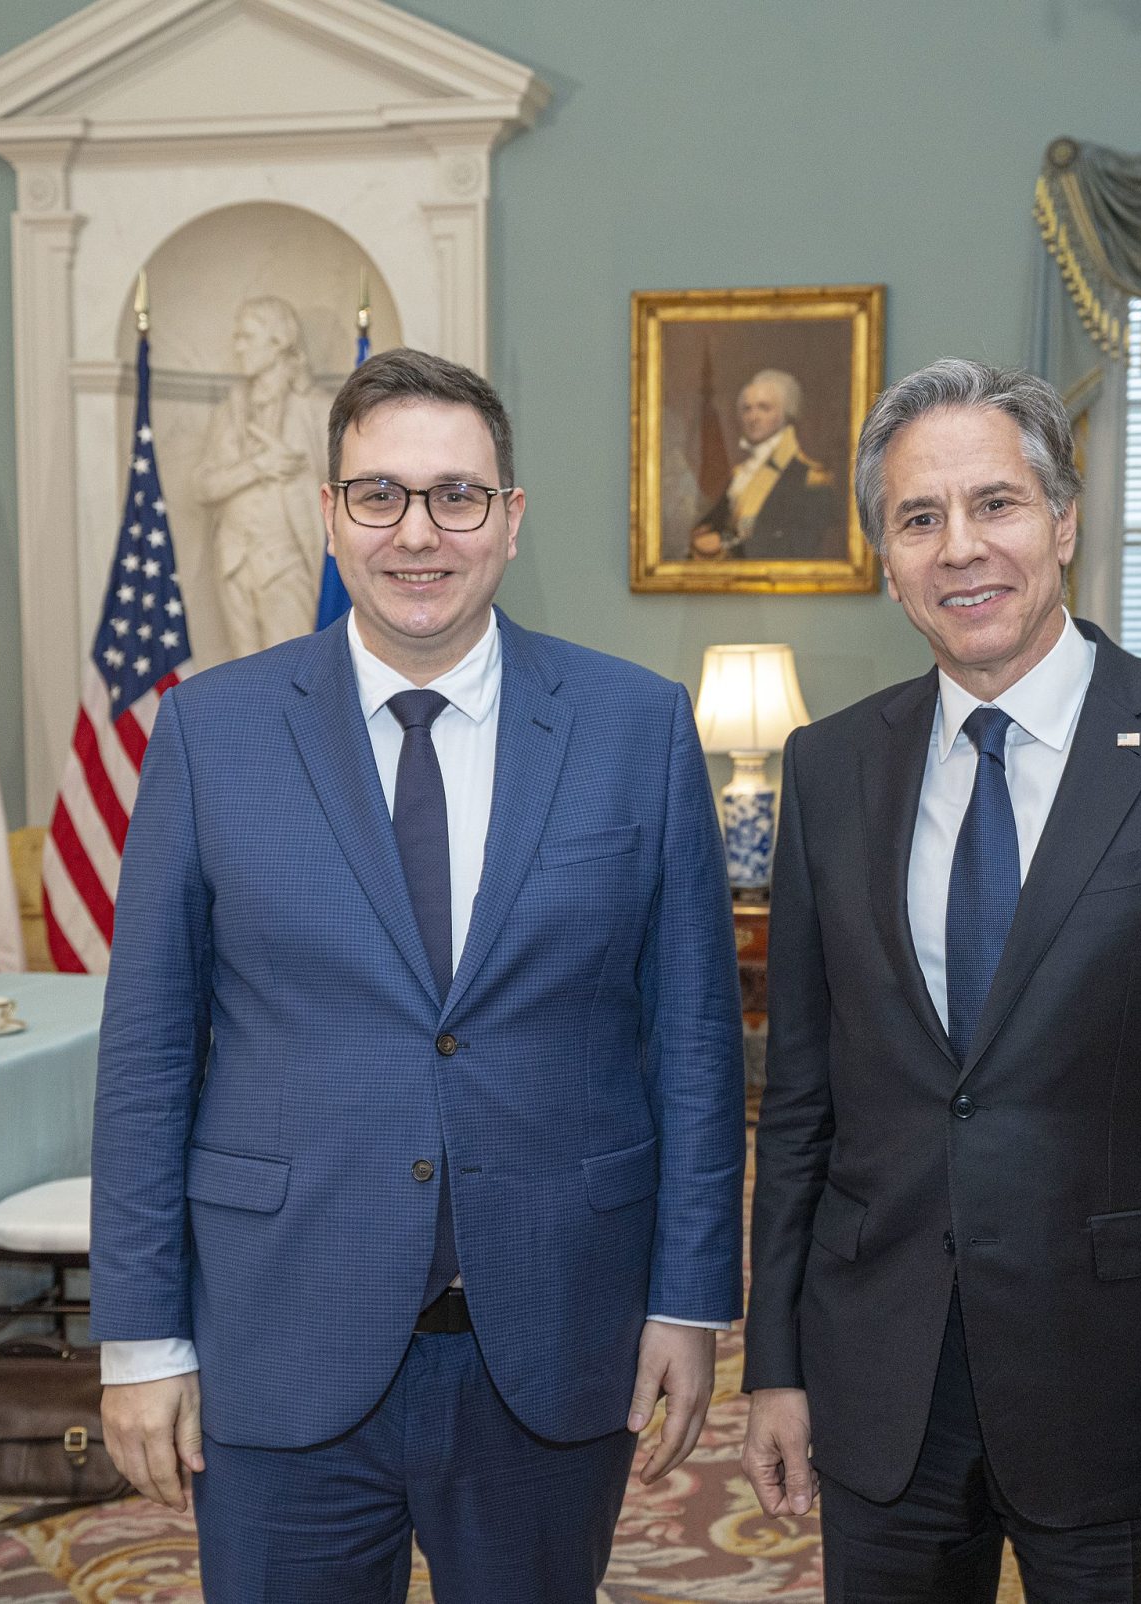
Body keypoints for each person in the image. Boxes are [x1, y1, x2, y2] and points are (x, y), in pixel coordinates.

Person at [93, 347, 745, 1602]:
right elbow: (147, 1058)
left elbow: (697, 1044)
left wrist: (689, 1298)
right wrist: (138, 1337)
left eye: (456, 494)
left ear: (507, 519)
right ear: (328, 516)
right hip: (281, 1335)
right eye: (379, 494)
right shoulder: (211, 732)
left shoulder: (635, 725)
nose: (418, 532)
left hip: (556, 1336)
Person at [740, 358, 1141, 1601]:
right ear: (886, 556)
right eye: (920, 518)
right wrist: (778, 1366)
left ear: (1063, 520)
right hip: (882, 1391)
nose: (961, 548)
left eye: (995, 504)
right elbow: (799, 1104)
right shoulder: (832, 769)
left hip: (1124, 1398)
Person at [194, 295, 337, 658]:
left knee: (292, 669)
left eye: (247, 337)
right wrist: (257, 467)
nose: (237, 346)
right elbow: (203, 486)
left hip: (289, 560)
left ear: (277, 344)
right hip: (234, 559)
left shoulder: (317, 409)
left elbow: (347, 487)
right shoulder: (229, 411)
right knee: (242, 674)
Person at [690, 367, 843, 562]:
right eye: (747, 408)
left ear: (786, 413)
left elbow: (796, 546)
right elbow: (711, 527)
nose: (753, 417)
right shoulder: (740, 473)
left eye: (764, 408)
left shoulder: (810, 478)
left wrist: (725, 544)